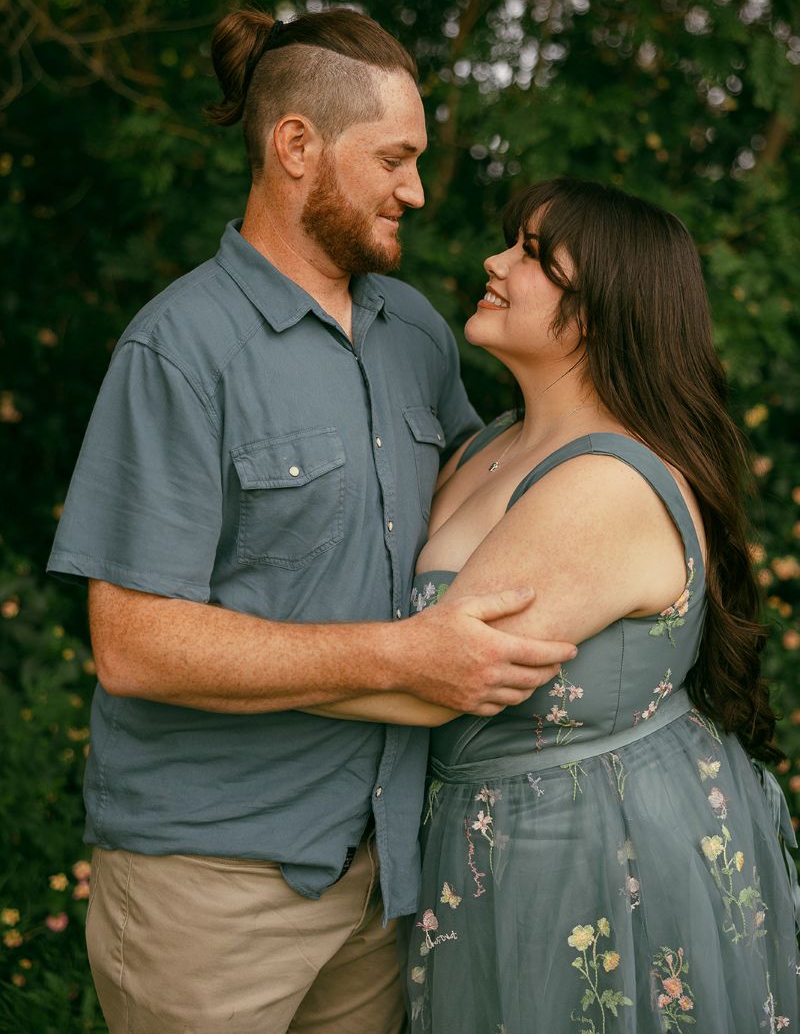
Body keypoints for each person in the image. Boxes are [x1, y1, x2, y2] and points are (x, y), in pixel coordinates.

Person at [46, 10, 578, 1034]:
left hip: (383, 880)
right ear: (296, 146)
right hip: (210, 888)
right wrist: (403, 656)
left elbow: (491, 503)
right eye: (394, 158)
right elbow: (133, 645)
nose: (417, 191)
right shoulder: (179, 351)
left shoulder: (413, 330)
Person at [313, 178, 800, 1032]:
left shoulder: (603, 486)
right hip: (490, 845)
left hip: (585, 862)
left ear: (602, 312)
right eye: (512, 242)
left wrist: (211, 666)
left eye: (535, 257)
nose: (495, 262)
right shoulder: (497, 438)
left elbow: (435, 681)